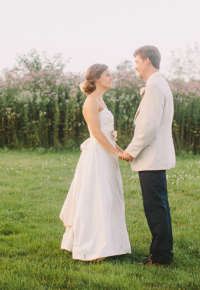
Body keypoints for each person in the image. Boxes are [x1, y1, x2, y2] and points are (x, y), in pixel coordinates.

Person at [59, 64, 132, 261]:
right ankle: (92, 246)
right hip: (97, 156)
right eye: (108, 75)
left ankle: (110, 244)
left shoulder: (101, 100)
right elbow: (97, 133)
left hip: (106, 154)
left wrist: (121, 151)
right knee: (96, 197)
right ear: (97, 79)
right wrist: (116, 154)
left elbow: (108, 135)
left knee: (108, 197)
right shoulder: (91, 101)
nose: (112, 78)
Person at [120, 45, 175, 267]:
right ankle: (161, 253)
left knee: (155, 207)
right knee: (159, 206)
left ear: (147, 61)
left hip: (151, 158)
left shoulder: (154, 86)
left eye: (136, 62)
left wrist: (130, 151)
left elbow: (148, 126)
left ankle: (161, 258)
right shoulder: (159, 83)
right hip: (155, 157)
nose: (135, 67)